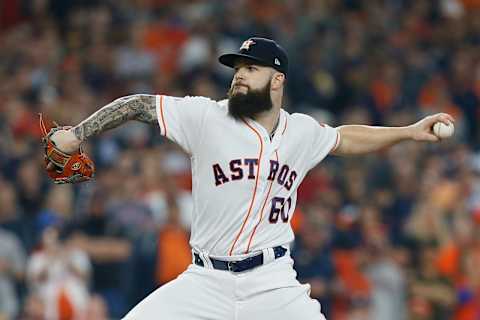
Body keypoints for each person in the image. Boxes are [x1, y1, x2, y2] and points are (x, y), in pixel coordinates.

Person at [47, 37, 454, 320]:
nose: (239, 75)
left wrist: (408, 131)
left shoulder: (301, 132)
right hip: (205, 280)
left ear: (278, 79)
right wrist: (78, 133)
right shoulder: (206, 117)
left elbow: (346, 138)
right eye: (237, 68)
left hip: (272, 283)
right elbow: (138, 104)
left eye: (251, 68)